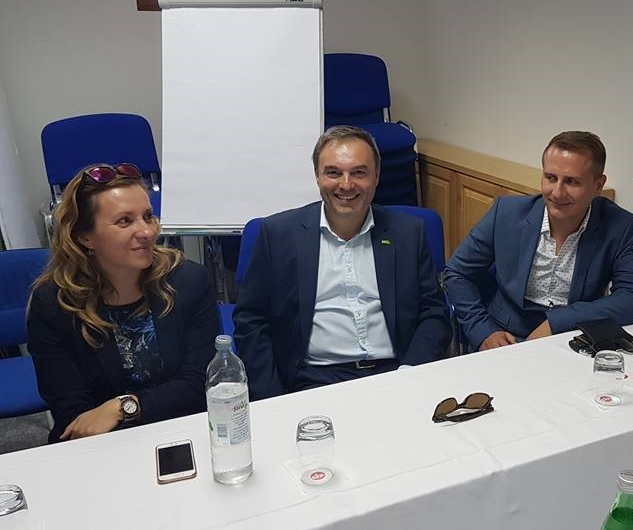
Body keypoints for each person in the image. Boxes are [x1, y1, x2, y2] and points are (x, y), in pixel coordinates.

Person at [233, 126, 451, 399]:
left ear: (376, 176)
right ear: (317, 176)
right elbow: (251, 320)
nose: (346, 185)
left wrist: (410, 374)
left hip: (396, 373)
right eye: (333, 173)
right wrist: (275, 399)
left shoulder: (408, 232)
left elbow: (434, 313)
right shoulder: (278, 234)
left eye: (359, 172)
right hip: (315, 380)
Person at [27, 163, 219, 443]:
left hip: (183, 430)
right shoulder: (54, 303)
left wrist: (124, 407)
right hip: (102, 444)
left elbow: (201, 382)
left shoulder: (188, 281)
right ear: (85, 237)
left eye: (148, 216)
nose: (147, 232)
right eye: (125, 221)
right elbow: (74, 413)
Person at [443, 131, 633, 351]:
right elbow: (457, 273)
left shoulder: (621, 226)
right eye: (551, 178)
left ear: (598, 185)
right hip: (505, 337)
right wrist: (483, 331)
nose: (557, 193)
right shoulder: (505, 213)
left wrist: (557, 322)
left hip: (574, 338)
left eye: (572, 182)